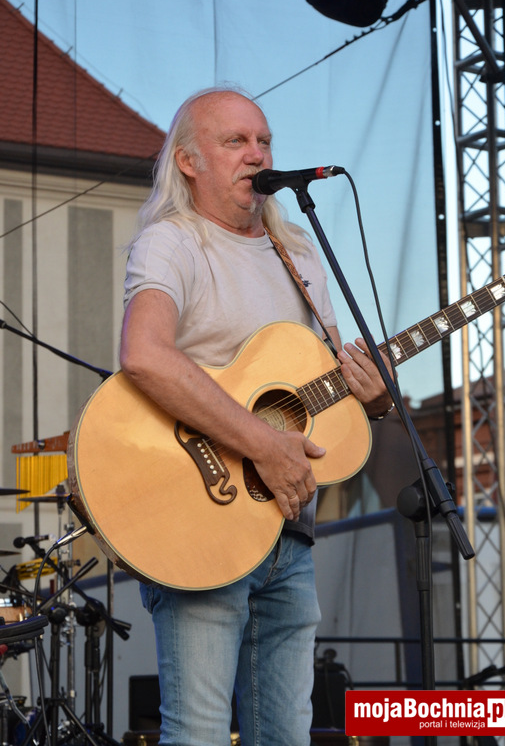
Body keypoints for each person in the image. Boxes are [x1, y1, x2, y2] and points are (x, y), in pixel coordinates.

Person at [119, 86, 393, 746]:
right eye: (235, 141)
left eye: (264, 141)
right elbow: (144, 355)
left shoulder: (299, 255)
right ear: (189, 161)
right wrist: (262, 445)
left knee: (287, 735)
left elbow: (332, 389)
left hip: (288, 533)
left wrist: (376, 397)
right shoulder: (171, 243)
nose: (257, 154)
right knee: (200, 735)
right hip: (199, 519)